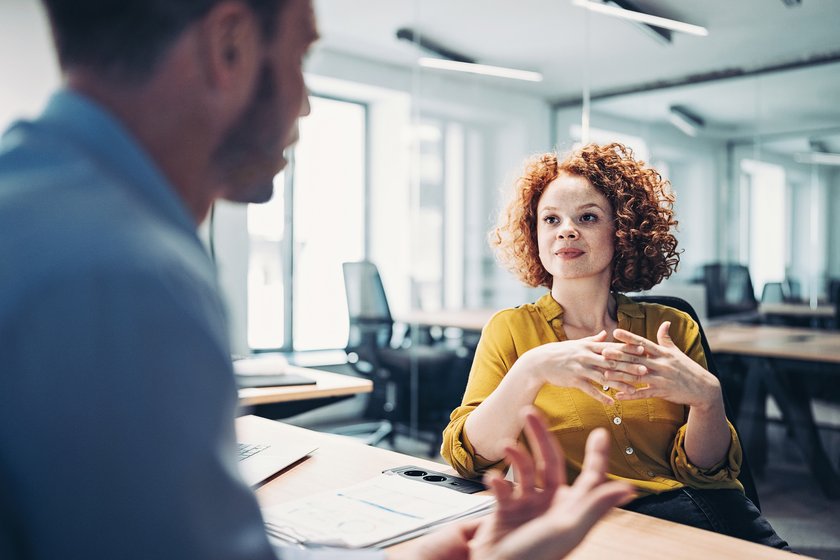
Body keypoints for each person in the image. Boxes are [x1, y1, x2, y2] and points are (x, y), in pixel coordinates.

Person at [0, 1, 632, 558]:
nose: (303, 101)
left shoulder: (44, 211)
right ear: (229, 45)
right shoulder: (117, 271)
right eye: (301, 54)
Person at [441, 143, 789, 549]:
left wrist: (708, 400)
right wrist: (531, 370)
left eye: (587, 217)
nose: (566, 230)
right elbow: (469, 461)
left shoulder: (672, 326)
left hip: (712, 512)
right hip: (597, 525)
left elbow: (706, 470)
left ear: (622, 231)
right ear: (534, 233)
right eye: (550, 219)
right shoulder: (510, 331)